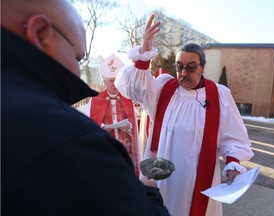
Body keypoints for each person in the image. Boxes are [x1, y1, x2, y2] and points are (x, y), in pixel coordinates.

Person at [1, 1, 171, 215]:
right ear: (41, 34)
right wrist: (149, 189)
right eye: (78, 58)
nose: (78, 74)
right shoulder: (71, 135)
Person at [115, 14, 254, 216]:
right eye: (179, 67)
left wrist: (233, 164)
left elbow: (233, 136)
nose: (183, 73)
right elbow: (135, 88)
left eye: (190, 67)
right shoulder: (164, 88)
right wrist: (144, 53)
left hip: (198, 179)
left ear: (202, 67)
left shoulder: (219, 95)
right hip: (161, 175)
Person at [78, 54, 142, 175]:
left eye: (116, 80)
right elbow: (90, 124)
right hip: (106, 146)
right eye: (111, 81)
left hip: (126, 148)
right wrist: (104, 128)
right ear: (104, 82)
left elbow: (133, 123)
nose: (114, 84)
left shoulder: (127, 99)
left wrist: (129, 125)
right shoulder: (95, 99)